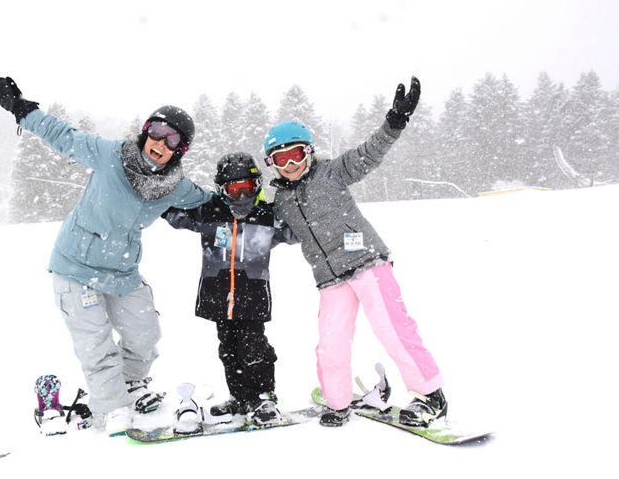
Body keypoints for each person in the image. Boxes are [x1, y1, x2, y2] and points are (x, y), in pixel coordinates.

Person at [0, 77, 212, 433]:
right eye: (155, 130)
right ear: (145, 131)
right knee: (95, 344)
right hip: (76, 267)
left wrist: (244, 195)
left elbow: (208, 200)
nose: (159, 141)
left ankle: (129, 382)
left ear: (180, 150)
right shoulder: (111, 155)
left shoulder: (174, 187)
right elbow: (62, 135)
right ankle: (112, 408)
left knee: (145, 334)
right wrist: (21, 108)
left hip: (122, 271)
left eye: (171, 138)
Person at [264, 77, 447, 428]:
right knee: (330, 343)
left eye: (296, 155)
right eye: (281, 159)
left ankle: (430, 395)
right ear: (272, 163)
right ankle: (338, 401)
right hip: (329, 280)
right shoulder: (283, 202)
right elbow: (268, 233)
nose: (290, 165)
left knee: (392, 330)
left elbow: (369, 153)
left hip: (368, 263)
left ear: (309, 152)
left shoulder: (332, 173)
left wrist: (394, 123)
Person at [163, 153, 297, 426]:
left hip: (253, 297)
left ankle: (262, 397)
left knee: (254, 347)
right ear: (222, 190)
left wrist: (294, 198)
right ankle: (240, 397)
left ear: (258, 185)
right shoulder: (209, 212)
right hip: (218, 296)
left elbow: (297, 231)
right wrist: (159, 194)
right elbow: (176, 214)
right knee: (229, 349)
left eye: (248, 186)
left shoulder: (267, 216)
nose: (242, 194)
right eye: (234, 188)